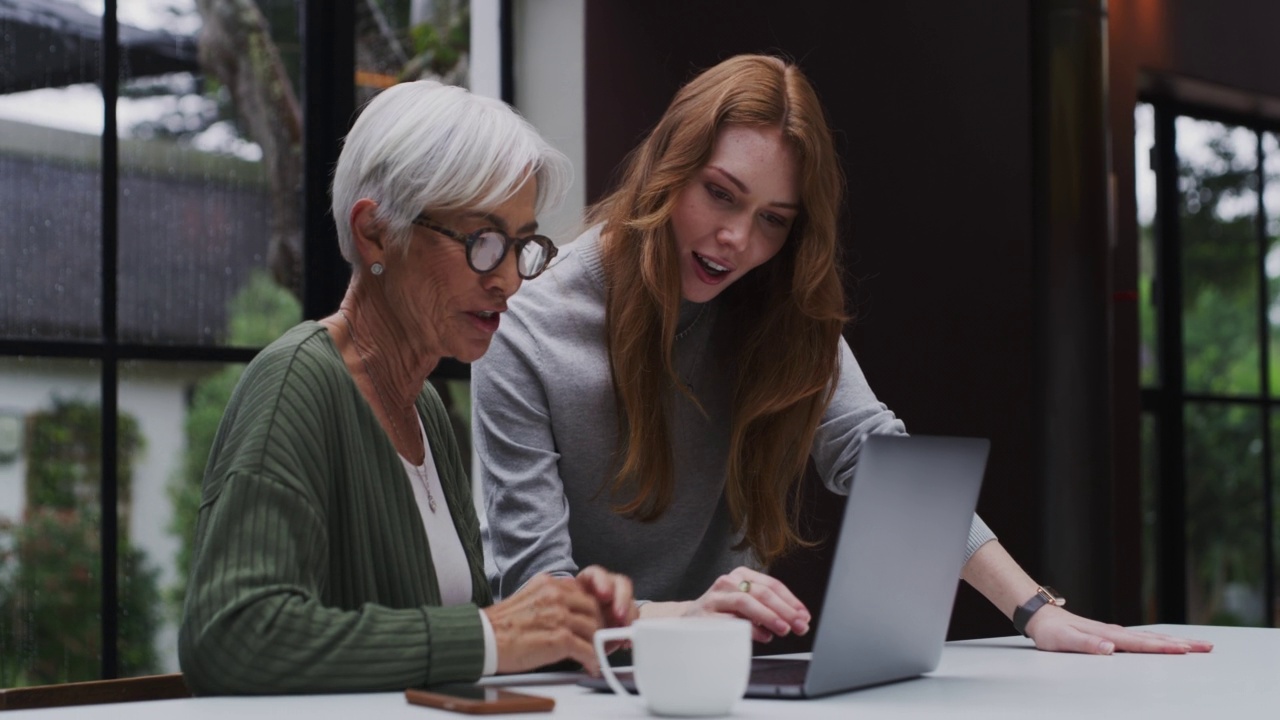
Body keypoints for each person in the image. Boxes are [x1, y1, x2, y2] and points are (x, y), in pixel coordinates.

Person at [473, 54, 1211, 655]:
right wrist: (688, 615)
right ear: (667, 168)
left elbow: (873, 452)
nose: (738, 240)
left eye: (772, 221)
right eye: (720, 194)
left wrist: (1032, 610)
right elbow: (537, 597)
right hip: (576, 688)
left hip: (724, 680)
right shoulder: (528, 329)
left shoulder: (777, 309)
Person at [179, 80, 636, 696]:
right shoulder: (297, 383)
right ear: (374, 234)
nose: (508, 280)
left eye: (522, 245)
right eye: (482, 242)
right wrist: (492, 636)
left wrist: (568, 620)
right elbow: (230, 636)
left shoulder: (424, 407)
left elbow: (451, 645)